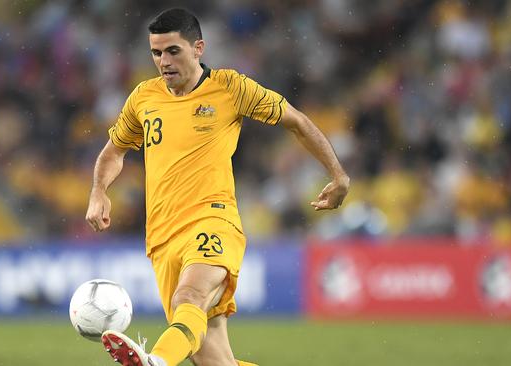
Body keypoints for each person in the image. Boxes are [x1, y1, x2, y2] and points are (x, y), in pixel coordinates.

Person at [85, 8, 349, 366]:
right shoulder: (144, 98)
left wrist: (338, 175)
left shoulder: (230, 88)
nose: (163, 61)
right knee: (214, 360)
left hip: (213, 221)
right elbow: (113, 152)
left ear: (198, 48)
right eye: (156, 53)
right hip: (162, 237)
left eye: (173, 51)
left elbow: (297, 122)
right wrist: (99, 191)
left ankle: (155, 362)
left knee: (189, 297)